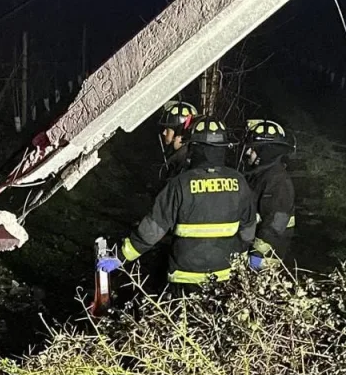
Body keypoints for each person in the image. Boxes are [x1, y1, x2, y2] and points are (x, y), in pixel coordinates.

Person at [98, 116, 256, 286]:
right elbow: (248, 231)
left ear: (194, 147)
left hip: (184, 278)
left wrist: (120, 257)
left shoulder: (180, 184)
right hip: (225, 279)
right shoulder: (239, 182)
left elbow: (152, 229)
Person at [242, 119, 295, 269]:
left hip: (265, 259)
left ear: (264, 152)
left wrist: (257, 254)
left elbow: (277, 221)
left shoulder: (278, 180)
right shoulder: (261, 175)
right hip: (251, 251)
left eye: (252, 149)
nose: (248, 153)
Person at [157, 100, 198, 179]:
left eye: (168, 130)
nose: (164, 133)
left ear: (180, 135)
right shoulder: (181, 161)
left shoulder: (185, 167)